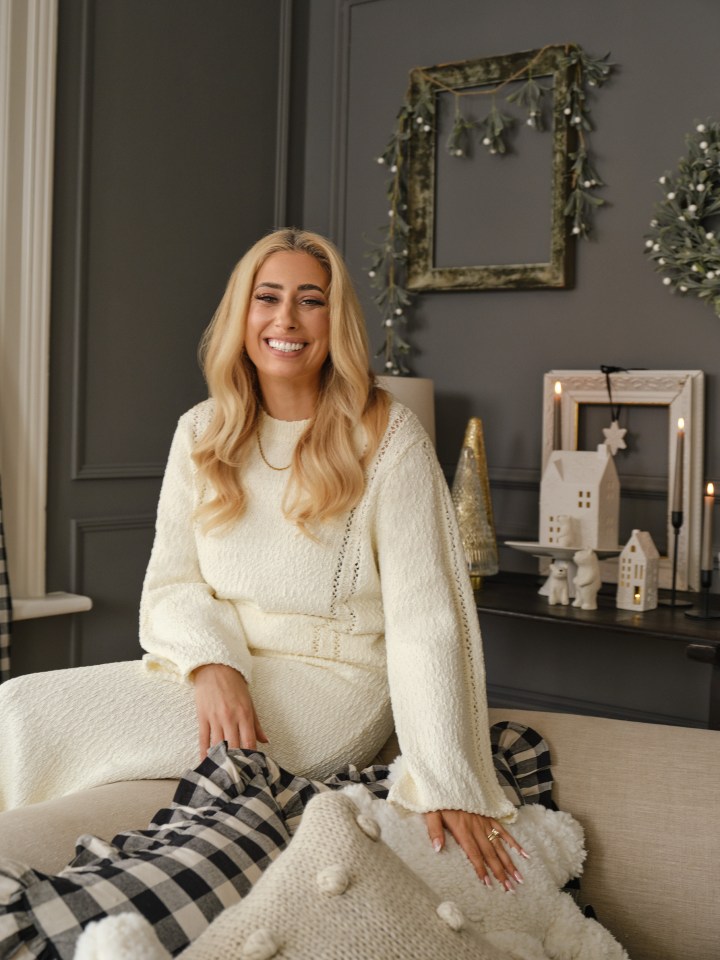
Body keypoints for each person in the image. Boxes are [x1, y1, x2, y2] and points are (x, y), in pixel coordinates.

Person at [0, 228, 525, 892]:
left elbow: (427, 618)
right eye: (267, 297)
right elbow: (171, 585)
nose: (286, 319)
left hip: (333, 688)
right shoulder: (202, 430)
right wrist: (214, 665)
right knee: (17, 704)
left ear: (334, 321)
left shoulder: (387, 434)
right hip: (226, 668)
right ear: (241, 315)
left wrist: (450, 779)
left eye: (310, 300)